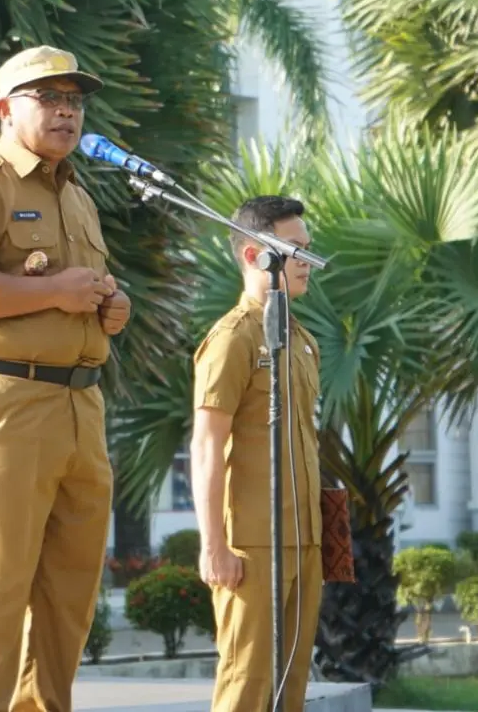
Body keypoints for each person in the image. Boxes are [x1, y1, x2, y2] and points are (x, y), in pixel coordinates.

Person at [0, 44, 132, 712]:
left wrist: (109, 306)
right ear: (6, 109)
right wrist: (56, 294)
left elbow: (79, 292)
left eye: (75, 100)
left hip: (78, 408)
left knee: (68, 600)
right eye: (50, 98)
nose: (67, 111)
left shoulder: (80, 198)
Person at [190, 195, 323, 712]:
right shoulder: (233, 338)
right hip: (254, 544)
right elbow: (207, 443)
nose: (308, 262)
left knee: (290, 692)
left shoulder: (301, 338)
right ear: (253, 255)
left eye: (308, 249)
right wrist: (213, 545)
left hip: (304, 538)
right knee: (246, 687)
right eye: (295, 250)